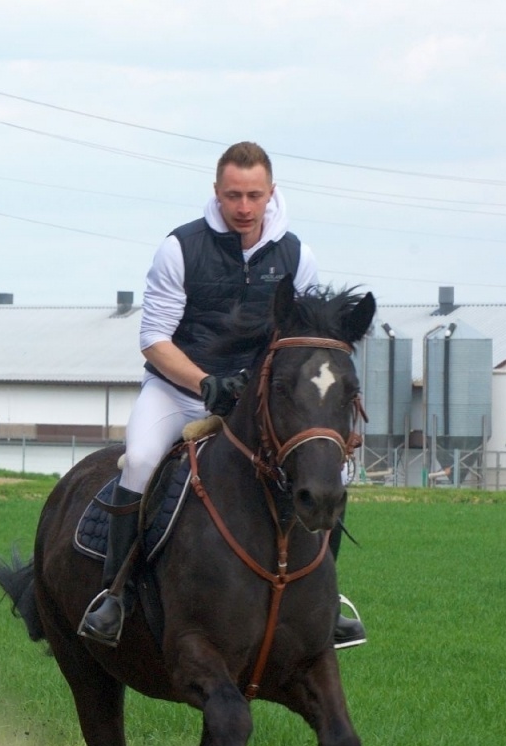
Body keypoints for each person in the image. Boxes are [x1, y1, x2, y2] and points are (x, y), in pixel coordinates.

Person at [78, 143, 366, 649]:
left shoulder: (298, 255)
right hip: (179, 390)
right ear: (216, 192)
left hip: (256, 399)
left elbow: (301, 340)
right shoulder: (180, 248)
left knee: (333, 472)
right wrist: (205, 382)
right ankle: (114, 596)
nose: (244, 207)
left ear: (271, 193)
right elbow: (154, 340)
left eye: (254, 195)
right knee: (141, 460)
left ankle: (329, 599)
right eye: (233, 195)